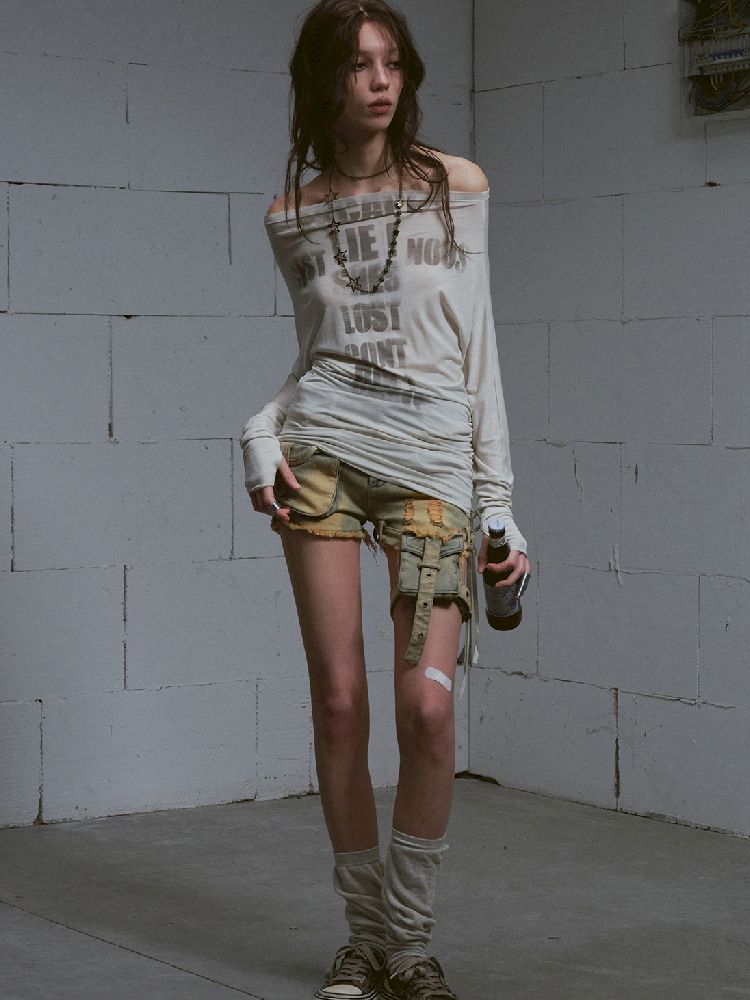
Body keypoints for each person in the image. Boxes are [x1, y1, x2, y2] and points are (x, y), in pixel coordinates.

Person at [239, 2, 531, 997]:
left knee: (426, 710)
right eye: (358, 64)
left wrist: (499, 505)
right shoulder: (290, 216)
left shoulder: (455, 186)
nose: (379, 80)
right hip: (323, 449)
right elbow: (322, 357)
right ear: (323, 80)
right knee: (338, 700)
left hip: (433, 460)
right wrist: (262, 427)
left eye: (392, 62)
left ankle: (411, 939)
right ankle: (367, 943)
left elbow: (478, 348)